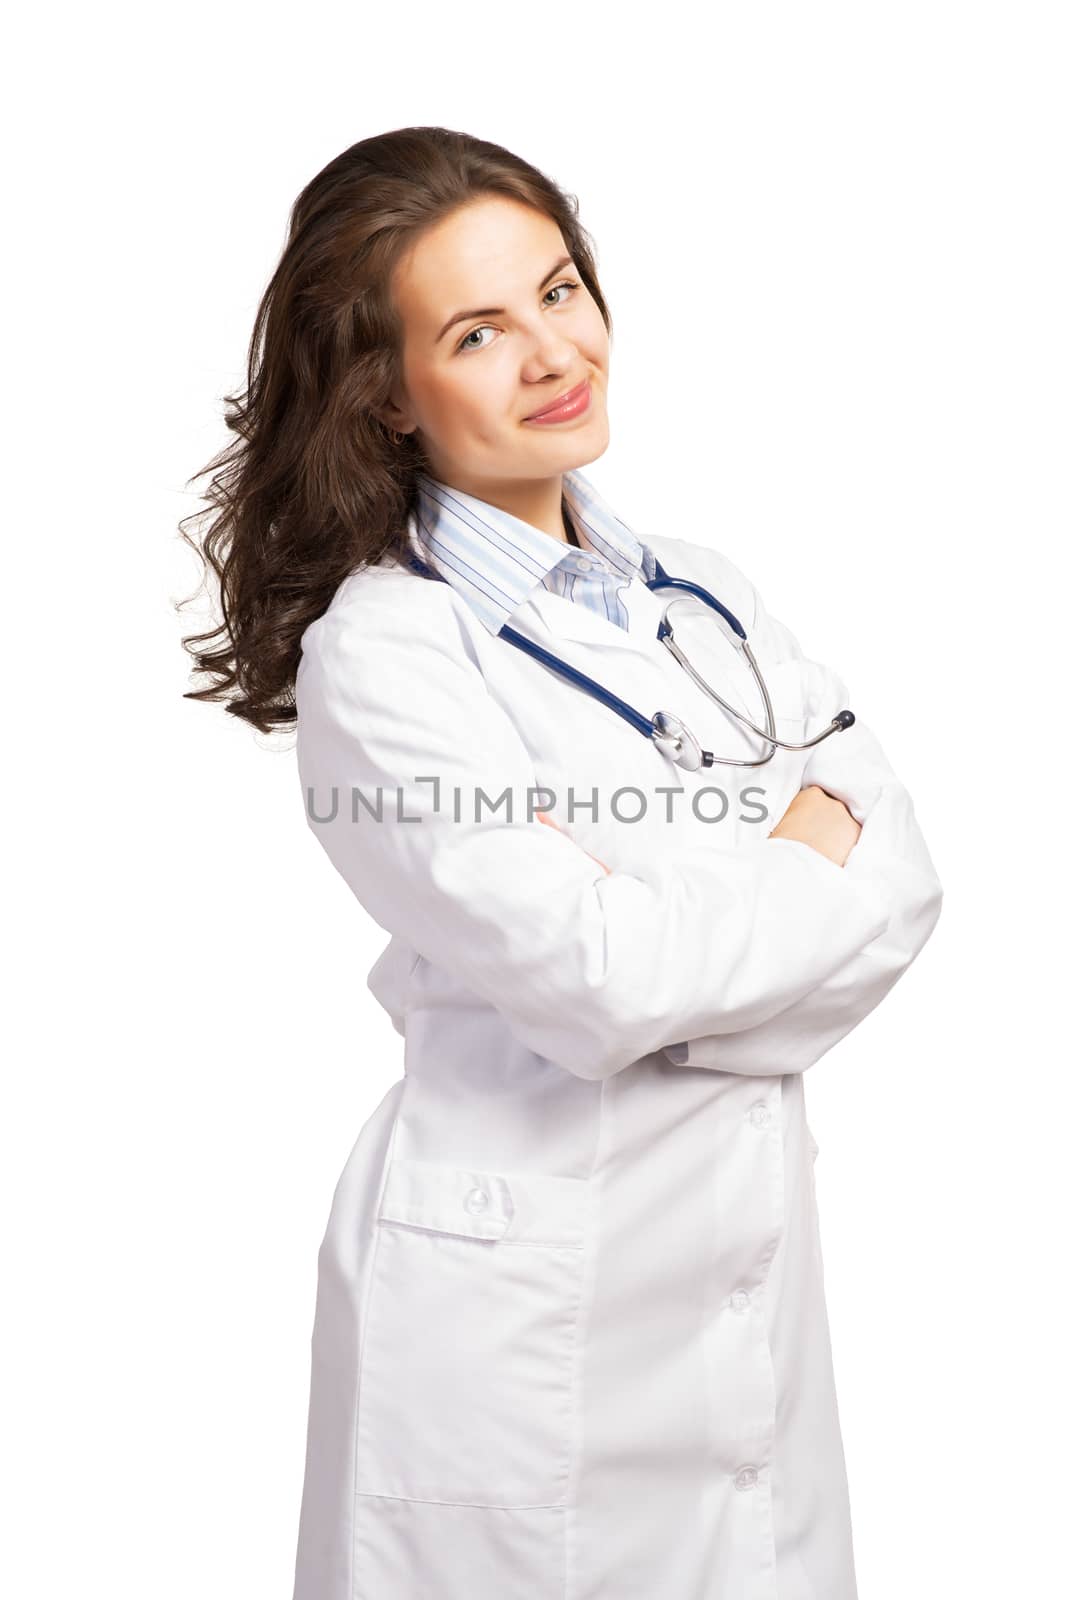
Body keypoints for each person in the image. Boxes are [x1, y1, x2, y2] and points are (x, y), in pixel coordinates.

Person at [180, 126, 944, 1600]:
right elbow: (599, 986)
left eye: (560, 291)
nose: (553, 353)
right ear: (390, 396)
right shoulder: (389, 659)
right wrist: (787, 874)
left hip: (740, 1299)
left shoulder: (705, 597)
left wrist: (668, 951)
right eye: (478, 331)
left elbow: (901, 880)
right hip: (515, 1327)